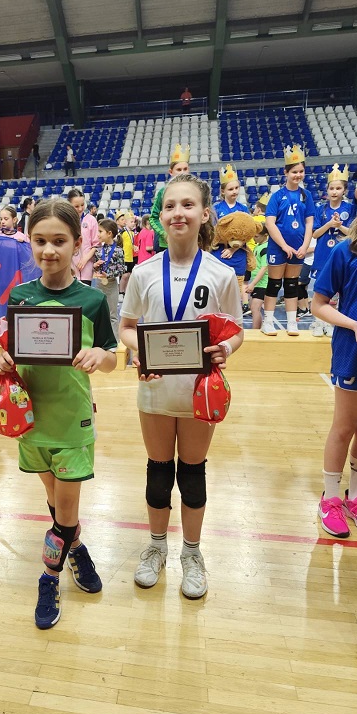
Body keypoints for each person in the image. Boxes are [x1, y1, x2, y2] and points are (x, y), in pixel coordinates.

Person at [119, 174, 243, 598]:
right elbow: (127, 327)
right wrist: (140, 350)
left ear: (205, 213)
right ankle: (156, 548)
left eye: (187, 205)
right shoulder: (143, 273)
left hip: (199, 392)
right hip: (154, 389)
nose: (178, 213)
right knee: (158, 473)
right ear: (161, 215)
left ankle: (192, 553)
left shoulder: (221, 273)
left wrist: (226, 348)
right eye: (170, 206)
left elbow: (237, 330)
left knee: (191, 475)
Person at [0, 199, 117, 629]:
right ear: (29, 242)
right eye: (40, 240)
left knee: (63, 513)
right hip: (32, 419)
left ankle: (49, 577)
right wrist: (2, 360)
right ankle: (77, 550)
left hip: (72, 421)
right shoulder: (20, 296)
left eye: (59, 241)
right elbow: (11, 352)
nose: (49, 250)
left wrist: (99, 355)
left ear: (77, 242)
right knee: (58, 505)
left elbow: (112, 357)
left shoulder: (92, 299)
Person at [312, 214, 357, 538]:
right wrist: (354, 324)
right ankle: (330, 499)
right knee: (344, 426)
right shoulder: (346, 251)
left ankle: (355, 496)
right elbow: (318, 305)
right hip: (351, 350)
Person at [261, 144, 315, 337]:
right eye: (294, 172)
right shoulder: (277, 196)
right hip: (278, 248)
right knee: (274, 284)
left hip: (298, 248)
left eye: (301, 171)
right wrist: (284, 246)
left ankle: (292, 323)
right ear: (286, 172)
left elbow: (309, 223)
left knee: (292, 285)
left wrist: (304, 246)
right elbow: (270, 223)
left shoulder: (306, 195)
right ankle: (268, 322)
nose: (298, 175)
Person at [311, 164, 357, 337]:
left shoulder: (350, 209)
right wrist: (329, 224)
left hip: (341, 256)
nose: (334, 191)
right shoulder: (321, 209)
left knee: (338, 293)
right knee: (320, 291)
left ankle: (332, 323)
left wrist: (339, 226)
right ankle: (318, 323)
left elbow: (353, 234)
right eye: (331, 188)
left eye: (338, 188)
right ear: (327, 190)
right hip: (322, 255)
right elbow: (315, 234)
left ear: (344, 190)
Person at [150, 144, 190, 254]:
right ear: (171, 172)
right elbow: (153, 218)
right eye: (179, 169)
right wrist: (165, 234)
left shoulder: (195, 191)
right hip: (166, 245)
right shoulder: (163, 192)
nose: (182, 172)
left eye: (185, 169)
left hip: (189, 243)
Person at [92, 218, 125, 340]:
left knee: (112, 315)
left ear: (109, 233)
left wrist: (109, 274)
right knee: (99, 313)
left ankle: (115, 341)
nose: (98, 234)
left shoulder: (118, 250)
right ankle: (100, 340)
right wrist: (95, 266)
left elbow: (122, 269)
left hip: (111, 285)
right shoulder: (99, 250)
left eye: (100, 231)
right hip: (99, 284)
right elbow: (96, 268)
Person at [67, 188, 99, 285]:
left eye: (82, 205)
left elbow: (96, 245)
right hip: (69, 266)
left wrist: (85, 259)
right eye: (76, 206)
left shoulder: (91, 220)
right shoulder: (65, 221)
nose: (80, 209)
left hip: (87, 266)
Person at [243, 222, 269, 329]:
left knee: (255, 308)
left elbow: (264, 268)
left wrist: (253, 284)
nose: (254, 238)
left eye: (257, 236)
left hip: (263, 283)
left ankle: (256, 331)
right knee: (254, 307)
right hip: (258, 283)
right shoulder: (259, 246)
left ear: (265, 235)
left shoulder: (266, 249)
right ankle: (259, 329)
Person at [116, 210, 137, 299]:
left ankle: (126, 292)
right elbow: (118, 244)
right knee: (124, 275)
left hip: (131, 257)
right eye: (131, 222)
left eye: (134, 222)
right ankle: (120, 292)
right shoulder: (122, 233)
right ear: (126, 222)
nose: (133, 224)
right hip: (125, 257)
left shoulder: (133, 233)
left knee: (129, 275)